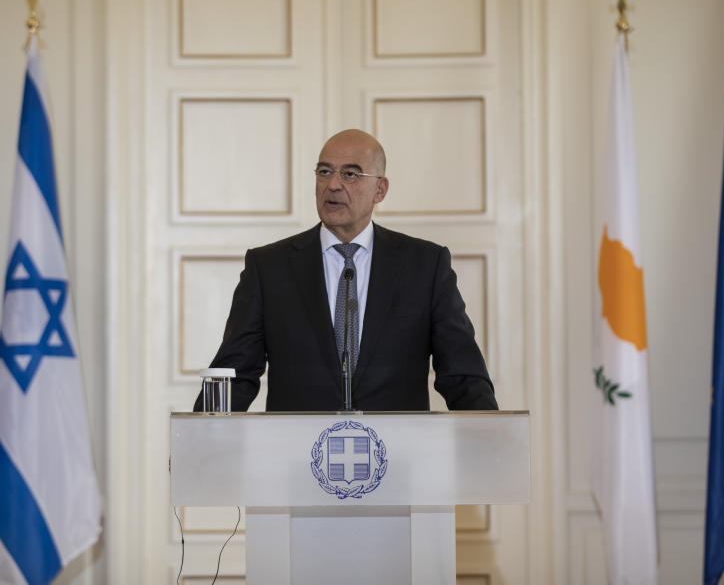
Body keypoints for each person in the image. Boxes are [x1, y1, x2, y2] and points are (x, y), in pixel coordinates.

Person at [193, 129, 497, 412]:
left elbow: (463, 376)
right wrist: (199, 444)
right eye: (324, 172)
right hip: (298, 460)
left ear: (380, 189)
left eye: (350, 174)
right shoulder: (270, 268)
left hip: (397, 460)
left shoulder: (425, 266)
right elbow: (234, 375)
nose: (333, 184)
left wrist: (492, 442)